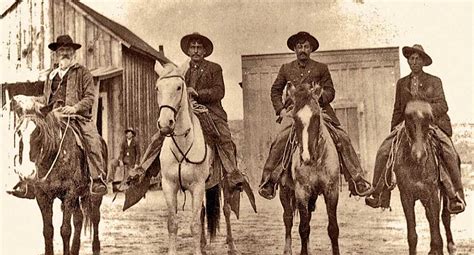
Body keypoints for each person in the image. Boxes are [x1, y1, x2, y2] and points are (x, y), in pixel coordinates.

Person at [127, 32, 246, 199]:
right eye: (193, 47)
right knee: (159, 136)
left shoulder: (214, 68)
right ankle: (142, 170)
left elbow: (219, 91)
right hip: (187, 111)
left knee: (224, 137)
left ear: (205, 51)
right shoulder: (182, 70)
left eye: (199, 47)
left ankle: (232, 174)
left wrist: (198, 93)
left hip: (210, 111)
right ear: (188, 51)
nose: (196, 50)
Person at [258, 31, 373, 200]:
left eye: (306, 46)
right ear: (295, 49)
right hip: (295, 112)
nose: (302, 50)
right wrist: (281, 110)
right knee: (280, 139)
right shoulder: (286, 68)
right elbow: (275, 90)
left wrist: (319, 97)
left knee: (342, 137)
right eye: (299, 46)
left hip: (319, 111)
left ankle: (356, 179)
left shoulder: (321, 68)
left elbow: (331, 91)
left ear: (311, 49)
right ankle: (269, 181)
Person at [365, 44, 466, 213]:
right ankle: (379, 193)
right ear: (408, 62)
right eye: (411, 59)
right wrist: (394, 130)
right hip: (406, 125)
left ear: (423, 62)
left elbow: (443, 105)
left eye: (418, 59)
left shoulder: (434, 81)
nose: (414, 61)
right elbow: (398, 108)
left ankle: (455, 195)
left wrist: (425, 111)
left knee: (449, 151)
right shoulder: (401, 83)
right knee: (384, 150)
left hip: (430, 124)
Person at [11, 34, 107, 197]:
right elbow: (46, 99)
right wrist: (30, 100)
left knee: (93, 140)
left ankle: (96, 179)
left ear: (73, 53)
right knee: (30, 135)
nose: (64, 53)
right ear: (56, 54)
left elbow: (90, 97)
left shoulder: (82, 73)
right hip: (51, 116)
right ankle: (28, 181)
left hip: (76, 117)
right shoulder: (51, 75)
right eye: (61, 50)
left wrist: (75, 108)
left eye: (68, 50)